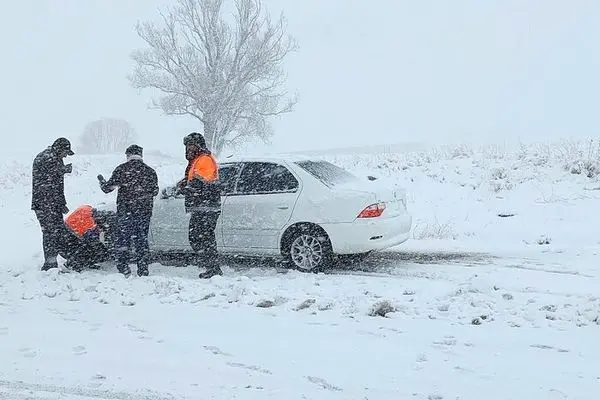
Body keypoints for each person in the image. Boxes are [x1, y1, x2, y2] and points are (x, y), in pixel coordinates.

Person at [97, 145, 159, 277]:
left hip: (126, 211)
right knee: (141, 239)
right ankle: (143, 268)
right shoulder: (150, 171)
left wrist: (102, 182)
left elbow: (108, 189)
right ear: (141, 155)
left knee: (123, 239)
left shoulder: (122, 169)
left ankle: (123, 266)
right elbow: (155, 191)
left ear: (127, 155)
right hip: (144, 211)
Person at [178, 132, 223, 279]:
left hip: (206, 207)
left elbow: (199, 184)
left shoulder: (204, 160)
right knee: (201, 237)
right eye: (186, 146)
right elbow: (194, 180)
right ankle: (211, 266)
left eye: (190, 145)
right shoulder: (197, 160)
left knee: (202, 238)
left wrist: (186, 189)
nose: (187, 149)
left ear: (198, 146)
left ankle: (213, 267)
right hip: (202, 207)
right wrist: (183, 184)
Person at [31, 137, 75, 271]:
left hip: (52, 203)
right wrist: (63, 169)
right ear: (59, 148)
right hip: (45, 204)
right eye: (65, 152)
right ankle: (50, 263)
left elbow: (57, 185)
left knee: (59, 231)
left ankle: (72, 258)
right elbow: (49, 179)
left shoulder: (54, 157)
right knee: (50, 232)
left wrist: (61, 203)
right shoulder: (46, 157)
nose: (66, 155)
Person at [62, 205, 109, 272]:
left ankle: (83, 262)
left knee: (87, 246)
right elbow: (93, 242)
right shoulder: (89, 224)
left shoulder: (87, 209)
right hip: (68, 247)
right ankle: (73, 264)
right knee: (97, 251)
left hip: (62, 241)